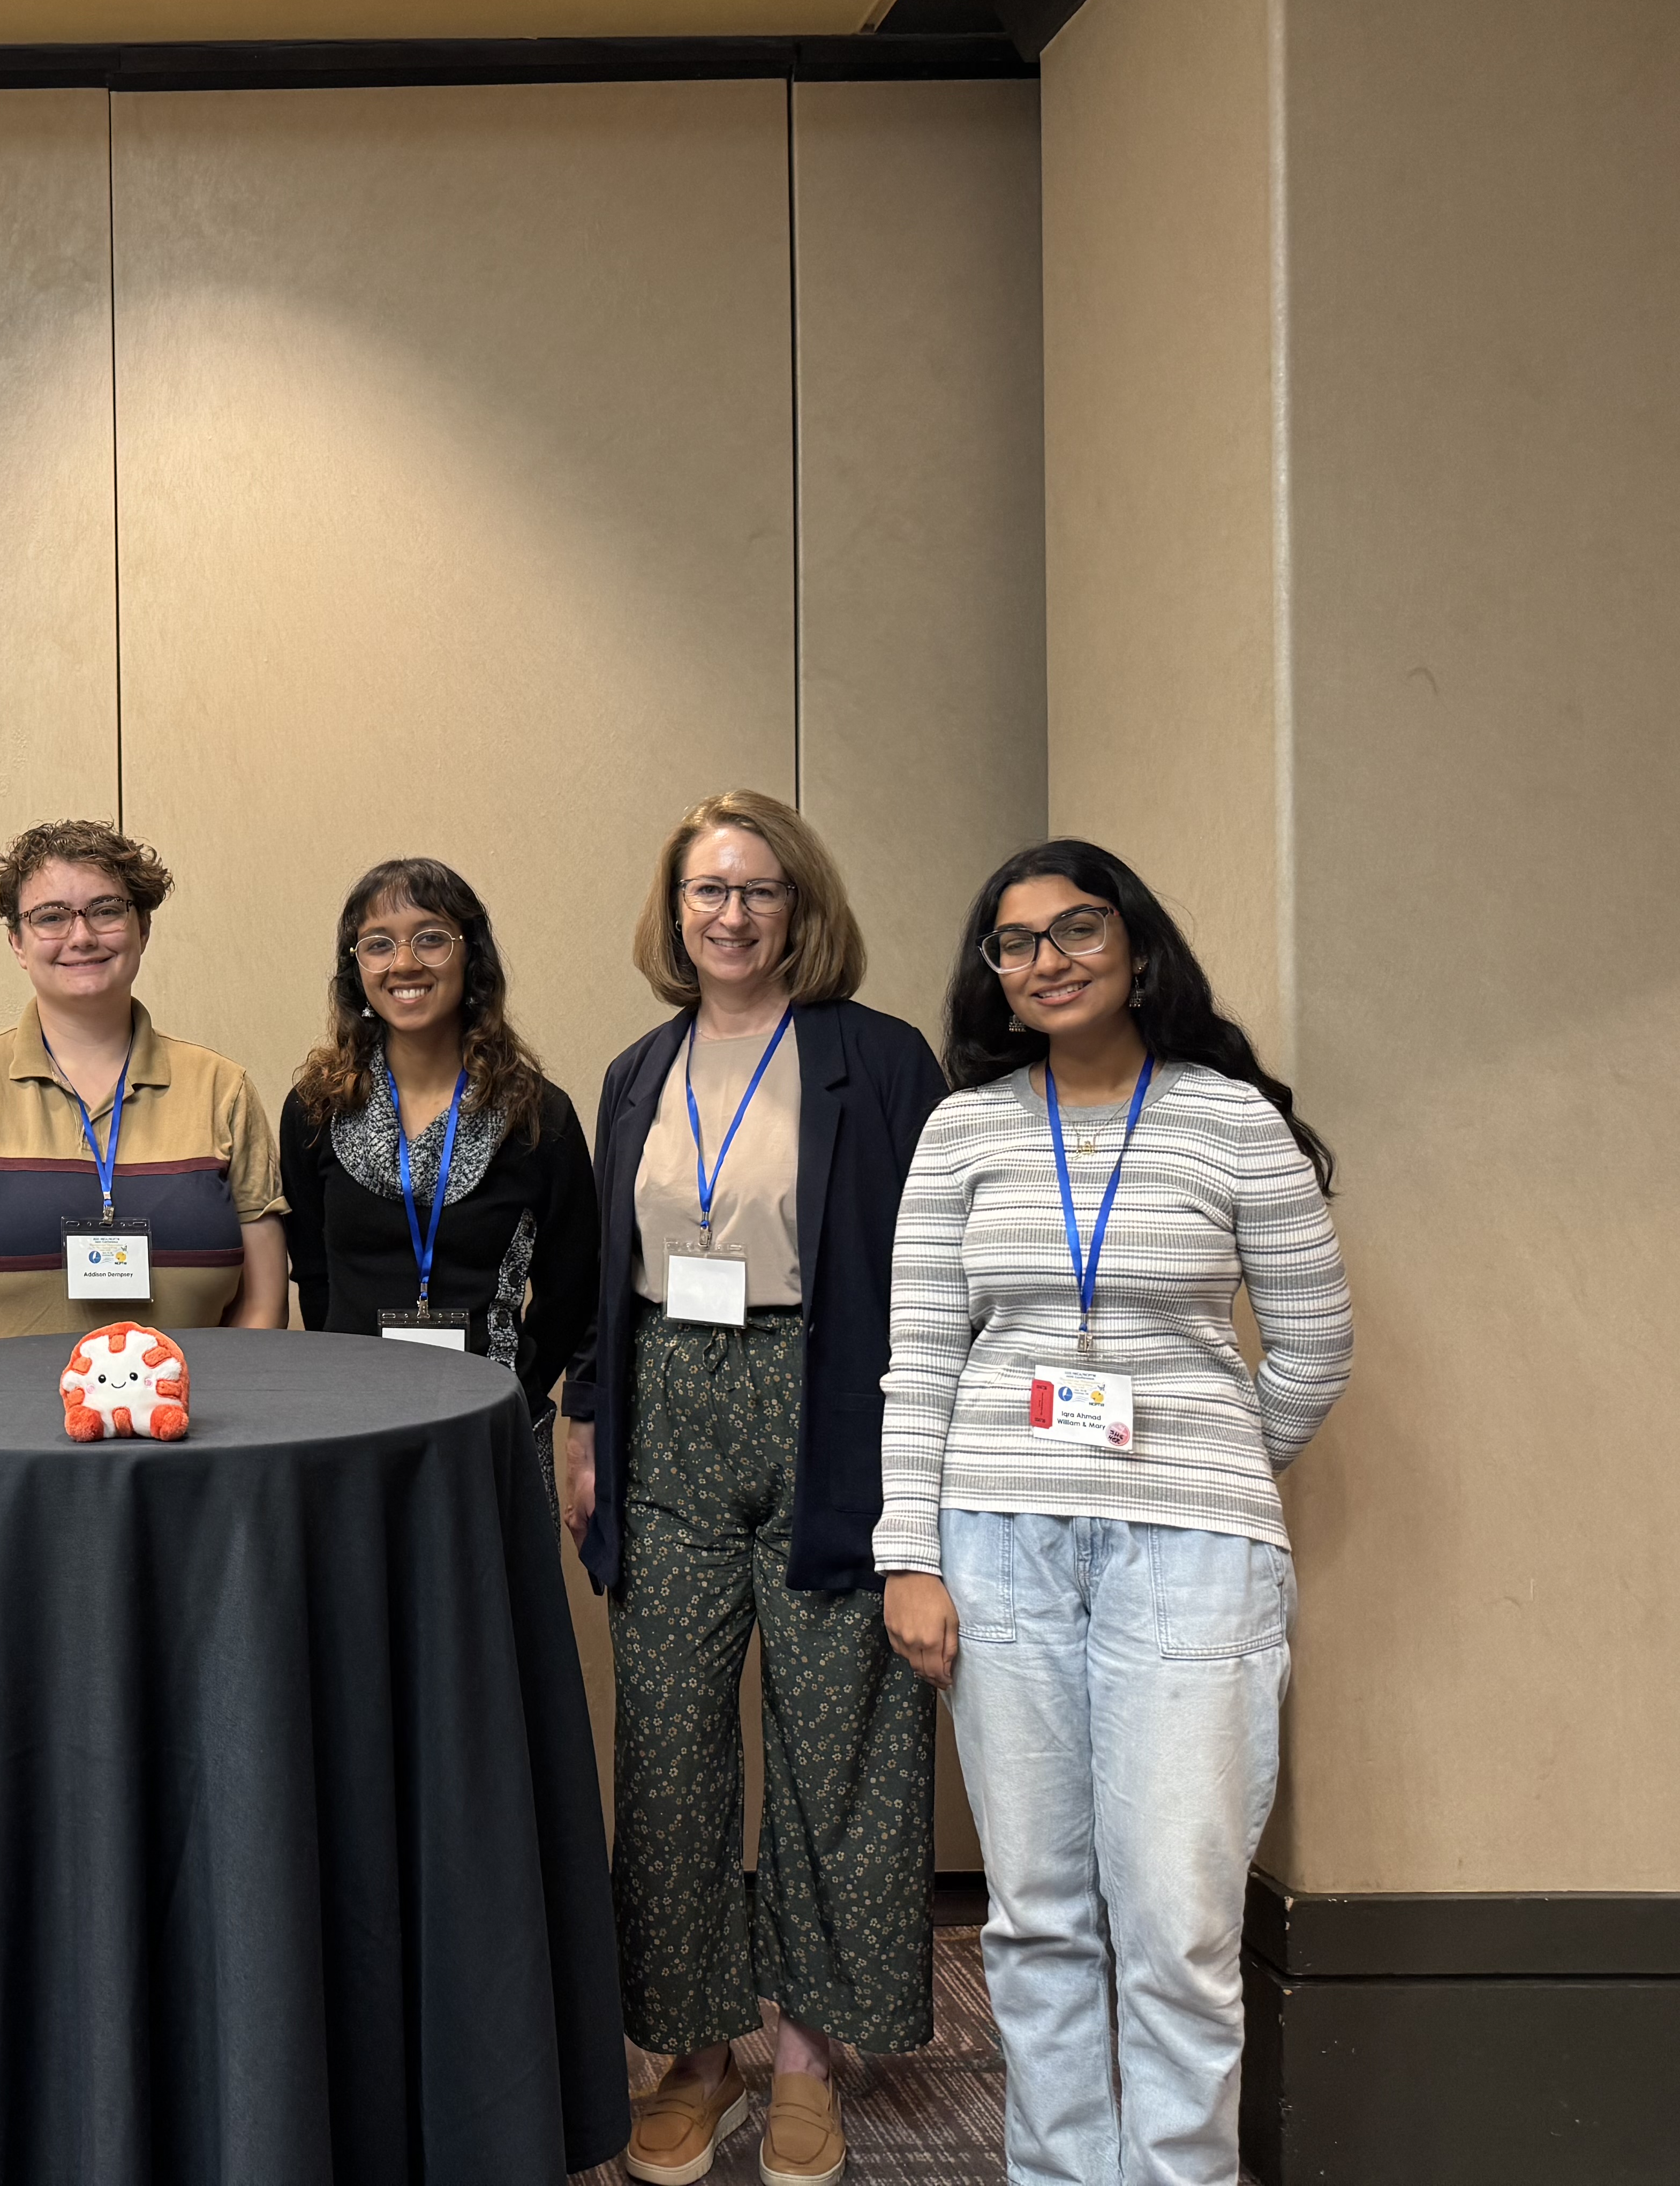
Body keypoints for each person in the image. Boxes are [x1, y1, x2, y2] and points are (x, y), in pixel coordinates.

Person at [877, 840, 1350, 2186]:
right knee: (1034, 1919)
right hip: (998, 1547)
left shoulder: (1230, 1120)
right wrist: (910, 1553)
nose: (1047, 961)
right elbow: (920, 1359)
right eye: (1015, 943)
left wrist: (1205, 1466)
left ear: (1136, 944)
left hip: (1195, 1561)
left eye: (1076, 929)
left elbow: (1316, 1344)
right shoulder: (964, 1131)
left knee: (1180, 1923)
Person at [560, 789, 945, 2186]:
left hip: (827, 1403)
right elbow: (610, 1270)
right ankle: (696, 2048)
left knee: (841, 1741)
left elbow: (930, 1273)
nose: (730, 913)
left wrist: (922, 1461)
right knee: (664, 1742)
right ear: (676, 913)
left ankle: (803, 2056)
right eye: (707, 890)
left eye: (757, 889)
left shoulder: (881, 1060)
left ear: (803, 907)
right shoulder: (636, 1068)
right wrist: (590, 1415)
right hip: (672, 1408)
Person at [0, 817, 286, 1346]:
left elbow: (264, 1300)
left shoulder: (223, 1090)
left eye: (106, 911)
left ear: (143, 928)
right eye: (51, 917)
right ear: (18, 945)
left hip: (192, 1421)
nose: (82, 936)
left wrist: (198, 1414)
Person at [277, 857, 597, 1507]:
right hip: (350, 1427)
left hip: (489, 1427)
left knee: (486, 1607)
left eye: (431, 937)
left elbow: (575, 1285)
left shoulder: (538, 1115)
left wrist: (520, 1386)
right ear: (356, 967)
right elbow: (314, 1273)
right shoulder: (316, 1108)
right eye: (378, 944)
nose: (405, 963)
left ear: (470, 955)